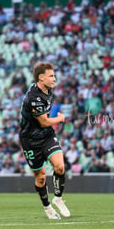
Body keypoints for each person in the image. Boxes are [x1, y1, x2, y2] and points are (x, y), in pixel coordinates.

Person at [19, 62, 70, 220]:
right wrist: (60, 118)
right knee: (40, 177)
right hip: (30, 140)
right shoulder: (34, 97)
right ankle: (47, 207)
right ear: (41, 78)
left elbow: (45, 126)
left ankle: (58, 198)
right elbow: (44, 122)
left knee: (60, 166)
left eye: (54, 75)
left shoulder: (47, 90)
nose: (54, 79)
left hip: (46, 136)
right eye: (51, 76)